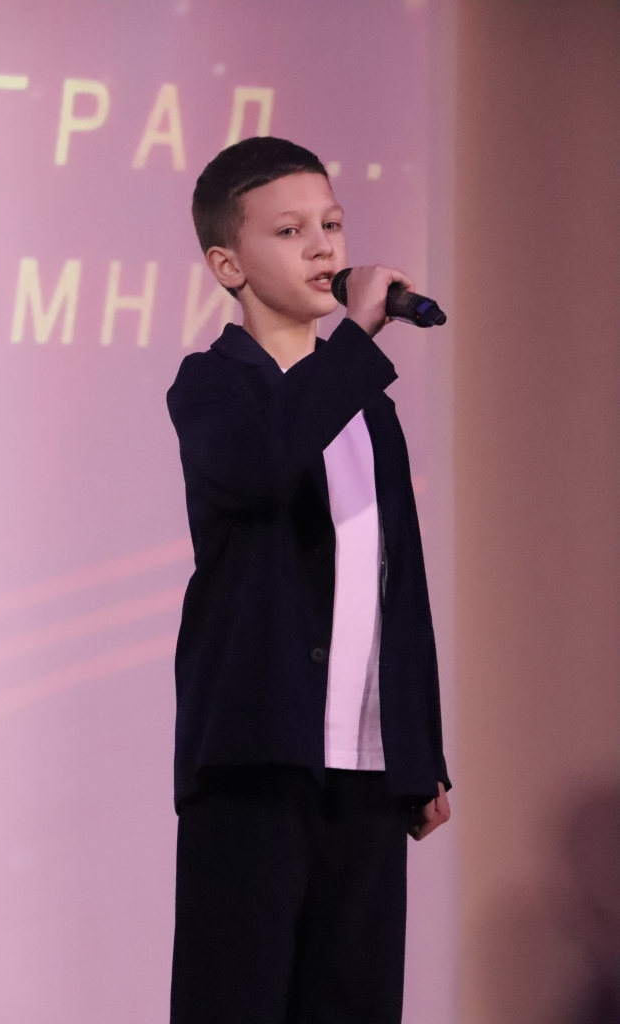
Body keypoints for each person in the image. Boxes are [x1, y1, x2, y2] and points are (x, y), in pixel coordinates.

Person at [166, 135, 451, 1024]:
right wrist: (356, 341)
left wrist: (420, 749)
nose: (323, 248)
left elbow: (398, 585)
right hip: (256, 756)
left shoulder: (369, 411)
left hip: (365, 770)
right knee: (238, 998)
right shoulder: (211, 387)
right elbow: (262, 465)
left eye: (331, 225)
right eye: (289, 232)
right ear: (228, 265)